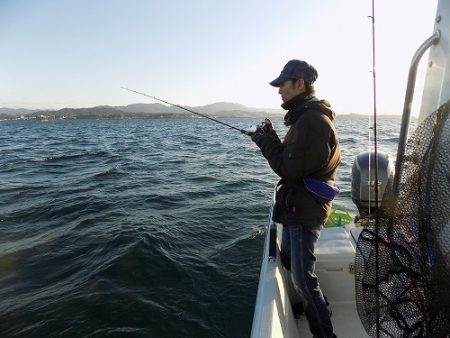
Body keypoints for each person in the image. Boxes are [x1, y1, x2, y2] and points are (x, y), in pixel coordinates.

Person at [250, 59, 340, 338]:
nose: (279, 91)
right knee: (289, 258)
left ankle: (325, 333)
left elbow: (289, 169)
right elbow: (296, 163)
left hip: (303, 210)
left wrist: (265, 141)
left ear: (299, 83)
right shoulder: (307, 118)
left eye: (283, 85)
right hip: (297, 205)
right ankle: (317, 304)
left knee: (302, 277)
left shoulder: (311, 122)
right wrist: (271, 138)